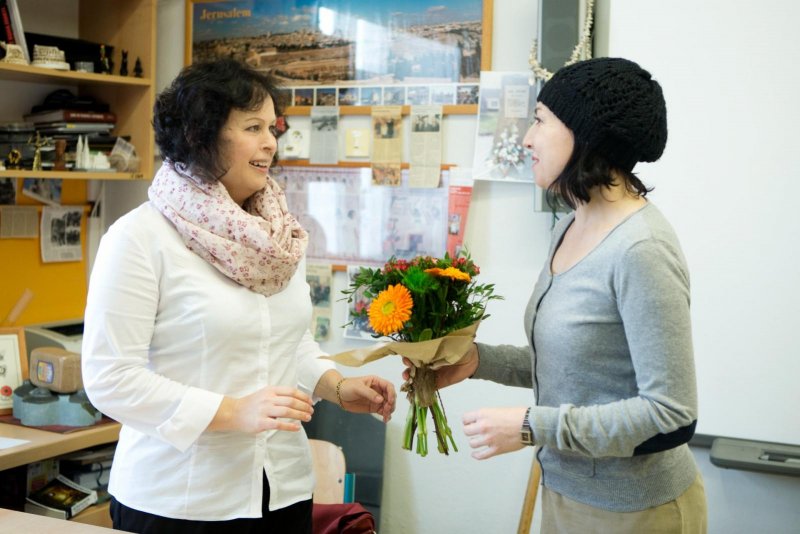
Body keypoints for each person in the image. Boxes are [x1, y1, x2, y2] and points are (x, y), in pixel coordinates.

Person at [81, 59, 396, 534]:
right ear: (200, 135)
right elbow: (110, 378)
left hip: (283, 489)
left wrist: (335, 387)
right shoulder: (139, 238)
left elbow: (289, 343)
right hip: (179, 501)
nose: (271, 142)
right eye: (252, 127)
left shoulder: (276, 237)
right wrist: (232, 411)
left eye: (273, 127)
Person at [407, 57, 707, 532]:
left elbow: (671, 413)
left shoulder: (640, 249)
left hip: (635, 511)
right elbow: (576, 367)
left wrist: (532, 425)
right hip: (565, 492)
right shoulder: (570, 223)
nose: (527, 137)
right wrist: (476, 361)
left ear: (586, 135)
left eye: (541, 120)